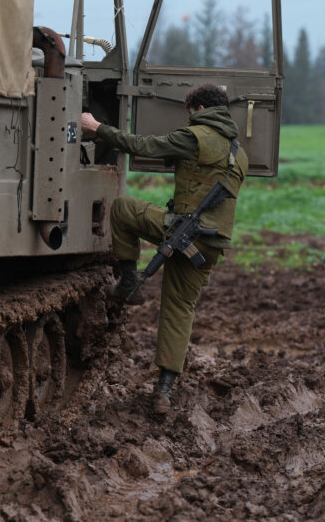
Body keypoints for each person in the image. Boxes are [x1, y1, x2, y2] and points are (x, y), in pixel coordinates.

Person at [80, 83, 248, 414]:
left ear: (198, 109)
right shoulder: (237, 151)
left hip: (185, 232)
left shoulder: (195, 136)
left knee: (124, 209)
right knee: (180, 309)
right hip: (211, 244)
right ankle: (164, 391)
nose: (188, 120)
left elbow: (144, 145)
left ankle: (129, 281)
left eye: (190, 114)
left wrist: (97, 128)